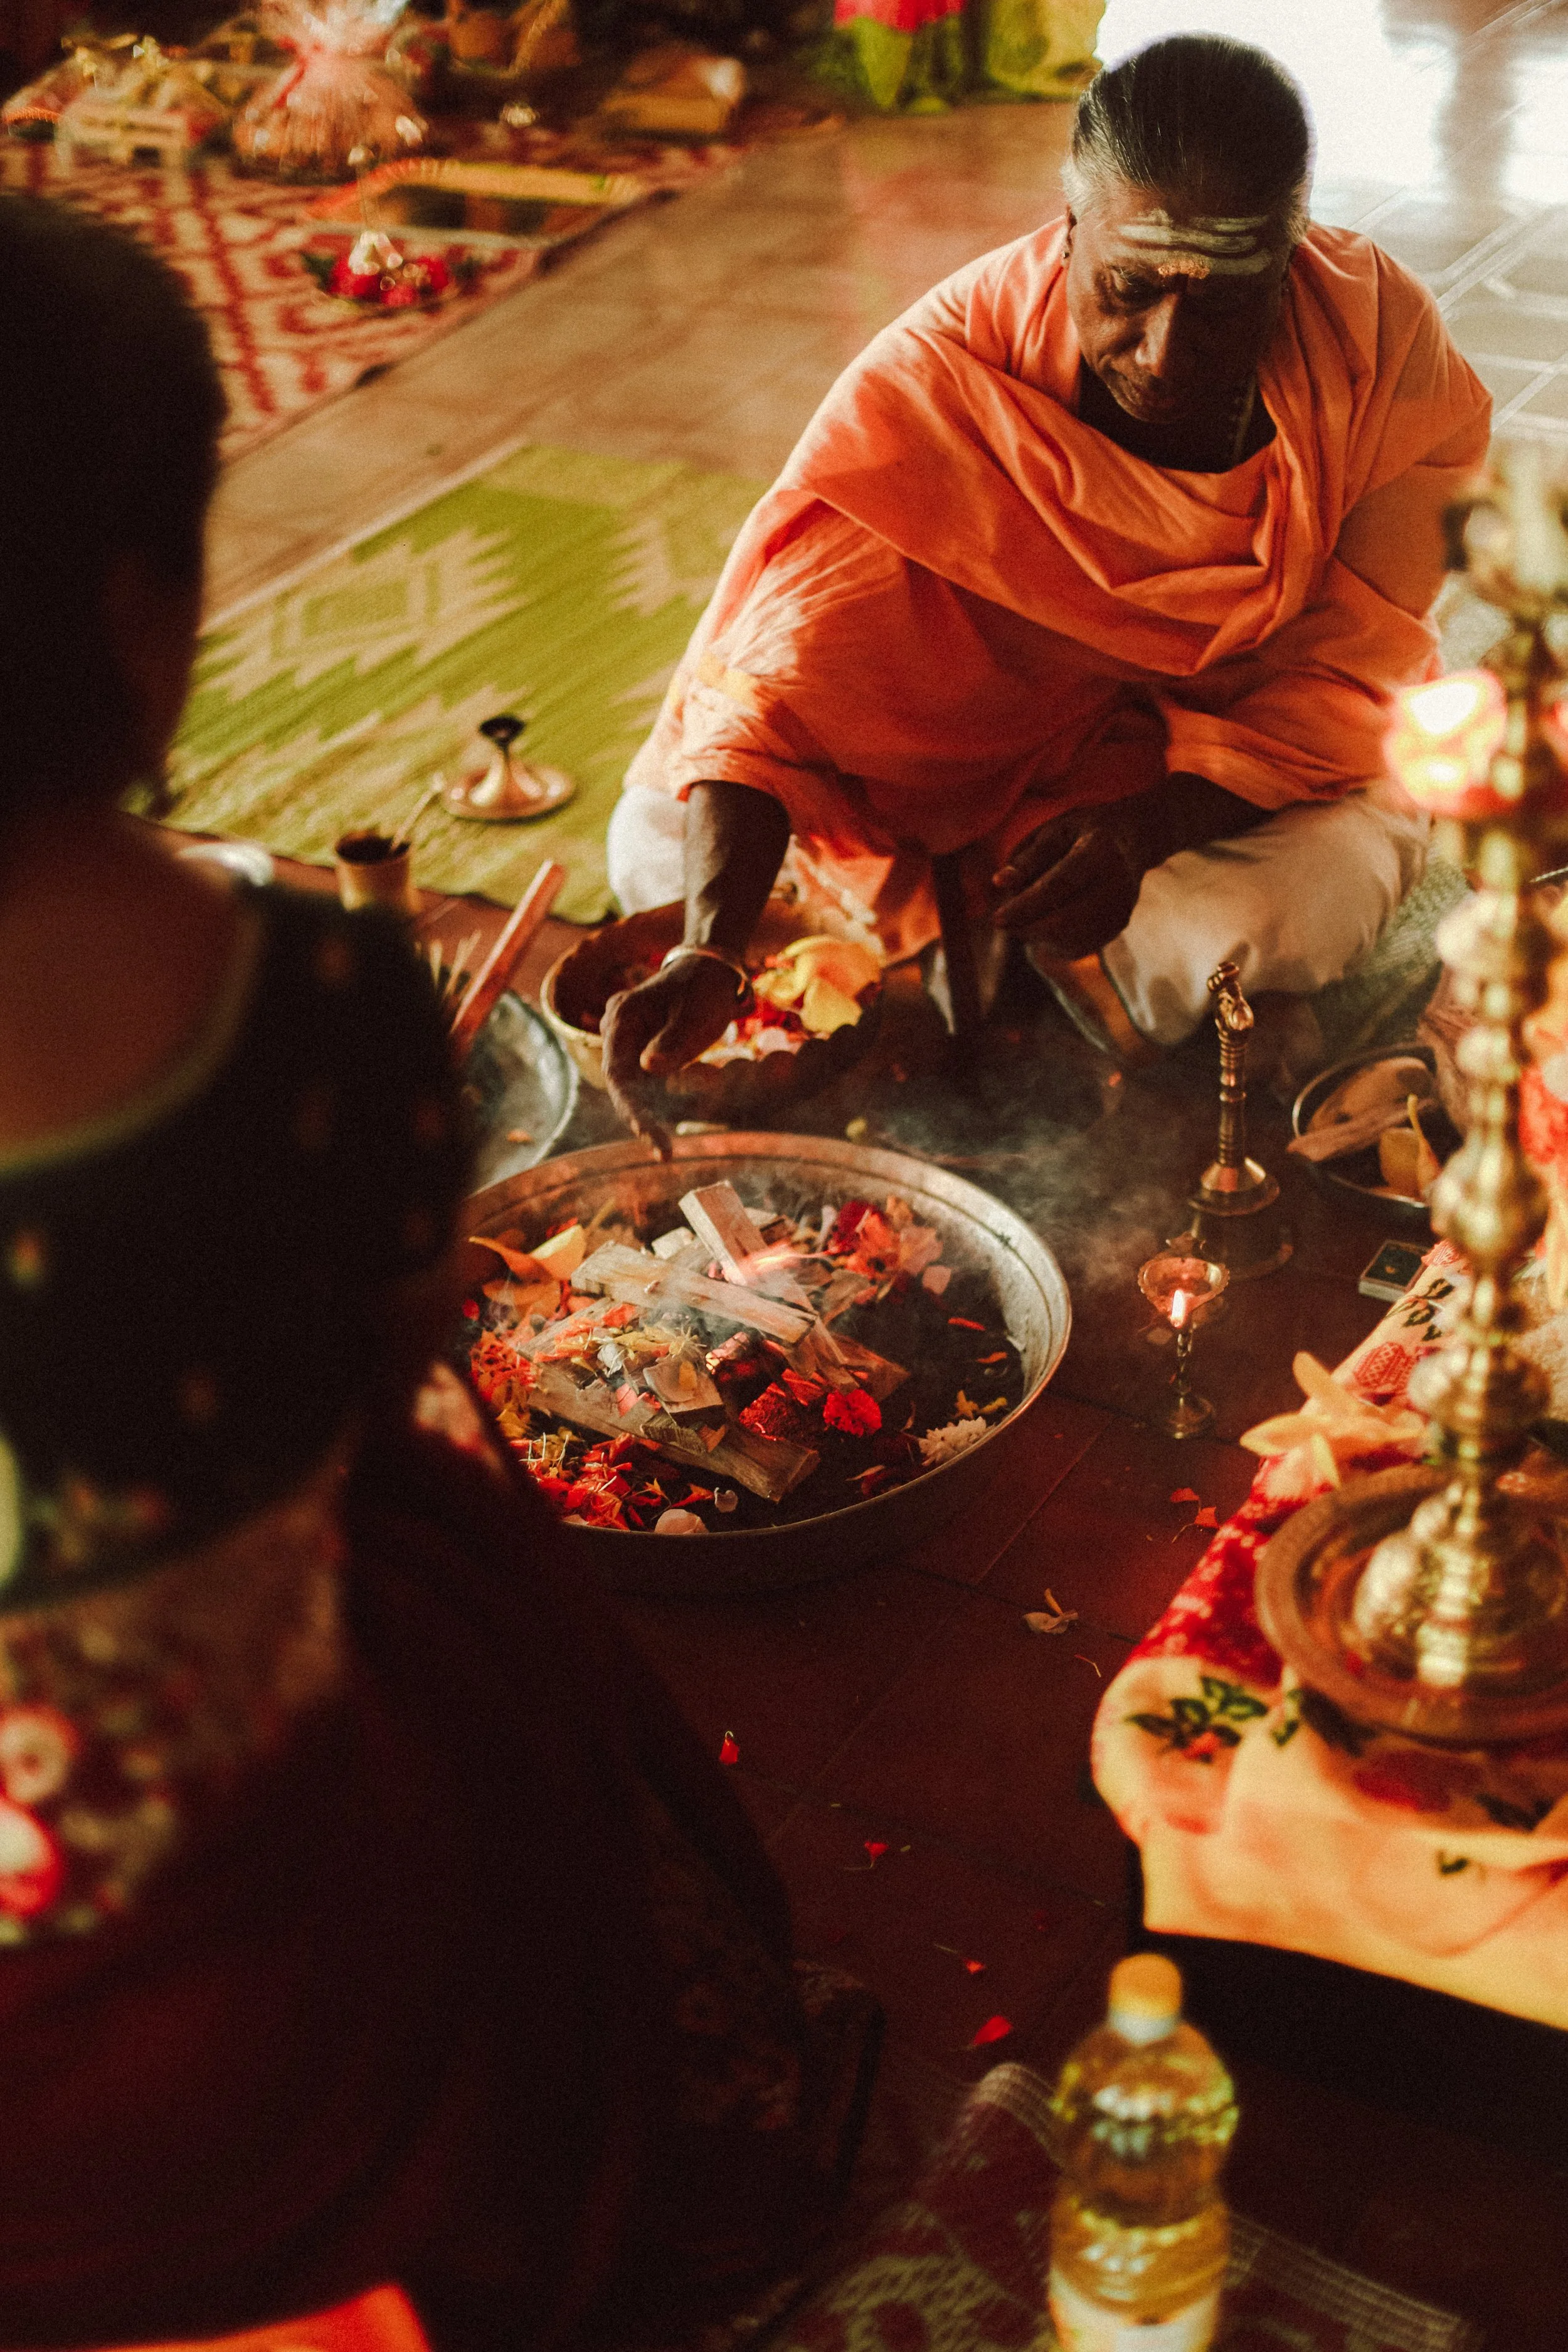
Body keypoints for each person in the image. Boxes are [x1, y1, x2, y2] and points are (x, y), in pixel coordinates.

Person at [0, 193, 876, 2351]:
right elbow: (386, 1346)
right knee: (473, 1585)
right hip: (241, 1986)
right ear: (138, 609)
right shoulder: (304, 999)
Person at [603, 34, 1490, 1139]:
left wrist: (1145, 827)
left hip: (1198, 775)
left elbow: (1358, 671)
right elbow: (766, 704)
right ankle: (1008, 957)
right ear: (1071, 235)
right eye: (1129, 289)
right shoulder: (947, 381)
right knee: (654, 838)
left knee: (1297, 896)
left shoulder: (1376, 349)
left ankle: (1025, 968)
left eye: (1221, 306)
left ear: (1291, 263)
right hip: (923, 787)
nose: (1166, 352)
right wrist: (711, 949)